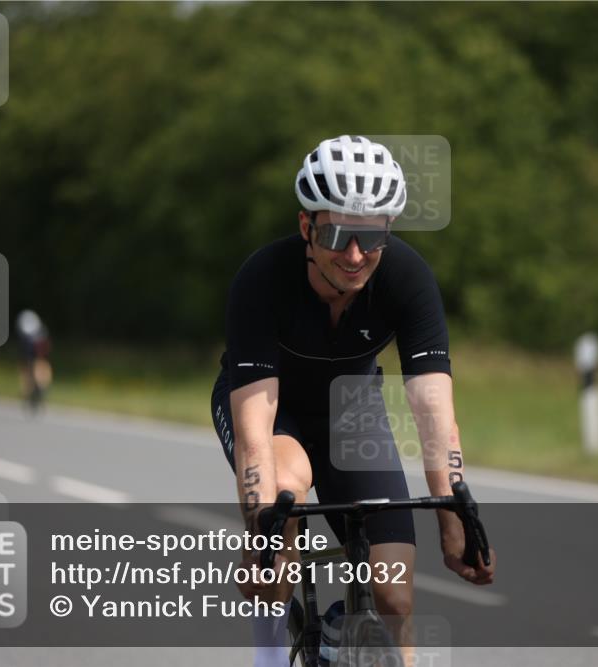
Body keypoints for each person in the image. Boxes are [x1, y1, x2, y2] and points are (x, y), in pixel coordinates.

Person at [210, 135, 495, 667]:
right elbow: (256, 431)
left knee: (394, 597)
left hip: (352, 413)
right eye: (338, 234)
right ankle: (268, 656)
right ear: (306, 228)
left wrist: (455, 522)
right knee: (285, 495)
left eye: (370, 237)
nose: (355, 255)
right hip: (272, 409)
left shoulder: (407, 279)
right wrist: (259, 528)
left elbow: (434, 414)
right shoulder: (262, 280)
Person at [16, 309, 52, 413]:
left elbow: (43, 355)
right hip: (30, 353)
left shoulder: (41, 334)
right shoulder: (26, 337)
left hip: (38, 353)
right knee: (28, 370)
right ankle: (31, 392)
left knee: (40, 365)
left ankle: (40, 388)